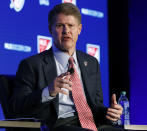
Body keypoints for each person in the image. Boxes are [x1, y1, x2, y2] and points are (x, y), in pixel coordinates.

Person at [10, 3, 123, 131]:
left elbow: (96, 106)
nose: (66, 31)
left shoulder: (91, 63)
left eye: (71, 26)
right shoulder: (32, 65)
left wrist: (110, 113)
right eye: (59, 26)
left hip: (92, 125)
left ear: (79, 29)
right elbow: (16, 107)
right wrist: (49, 91)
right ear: (50, 29)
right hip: (58, 125)